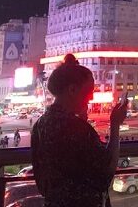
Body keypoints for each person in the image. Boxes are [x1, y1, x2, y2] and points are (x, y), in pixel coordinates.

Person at [32, 53, 128, 207]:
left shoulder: (40, 125)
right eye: (89, 90)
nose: (90, 97)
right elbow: (106, 171)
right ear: (72, 90)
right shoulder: (77, 128)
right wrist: (115, 124)